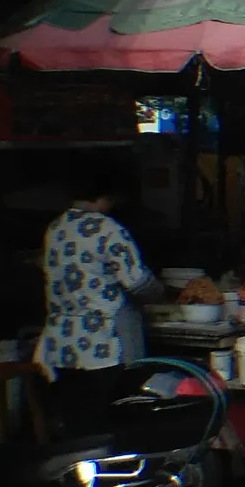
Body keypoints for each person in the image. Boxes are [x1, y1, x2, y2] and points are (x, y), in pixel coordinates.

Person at [35, 165, 155, 438]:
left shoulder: (56, 228)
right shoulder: (107, 229)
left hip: (64, 347)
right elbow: (137, 282)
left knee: (78, 428)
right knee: (113, 428)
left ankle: (78, 476)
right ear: (107, 196)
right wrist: (162, 293)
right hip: (105, 347)